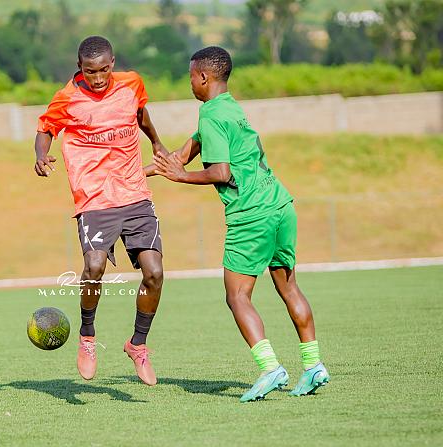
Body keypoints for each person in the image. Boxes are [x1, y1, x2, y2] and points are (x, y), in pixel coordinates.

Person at [149, 46, 329, 401]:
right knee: (289, 288)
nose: (190, 83)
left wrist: (182, 177)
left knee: (237, 296)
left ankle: (270, 368)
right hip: (280, 206)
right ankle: (313, 366)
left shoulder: (210, 116)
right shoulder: (230, 108)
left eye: (191, 77)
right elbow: (182, 154)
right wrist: (137, 174)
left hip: (251, 215)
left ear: (203, 77)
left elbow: (220, 172)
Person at [35, 36, 166, 385]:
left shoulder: (131, 84)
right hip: (94, 197)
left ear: (113, 63)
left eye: (104, 70)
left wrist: (156, 142)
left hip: (134, 193)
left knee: (154, 273)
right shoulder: (67, 98)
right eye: (90, 71)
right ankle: (87, 336)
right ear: (80, 67)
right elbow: (45, 128)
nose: (97, 78)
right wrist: (40, 154)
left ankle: (138, 344)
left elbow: (140, 113)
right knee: (94, 266)